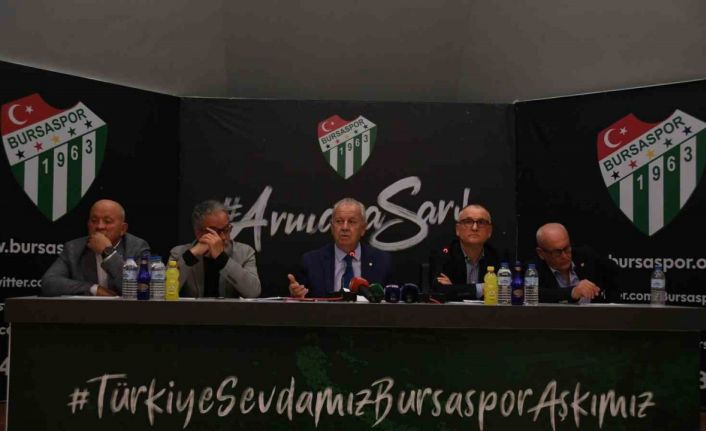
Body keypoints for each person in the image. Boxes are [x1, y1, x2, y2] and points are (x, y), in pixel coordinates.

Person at [41, 199, 150, 296]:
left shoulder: (136, 247)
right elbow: (49, 282)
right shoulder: (73, 248)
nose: (99, 226)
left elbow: (140, 287)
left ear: (123, 229)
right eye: (94, 220)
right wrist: (93, 289)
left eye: (107, 221)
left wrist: (108, 252)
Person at [288, 198, 392, 298]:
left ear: (363, 228)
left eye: (352, 222)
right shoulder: (311, 262)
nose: (344, 227)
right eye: (339, 221)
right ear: (332, 227)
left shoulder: (382, 262)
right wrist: (297, 295)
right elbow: (301, 300)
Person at [169, 200, 261, 298]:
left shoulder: (245, 252)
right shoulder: (178, 253)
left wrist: (222, 258)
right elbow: (165, 292)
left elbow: (253, 292)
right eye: (216, 231)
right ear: (198, 232)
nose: (223, 237)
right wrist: (191, 255)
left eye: (226, 229)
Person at [430, 204, 502, 301]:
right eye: (468, 222)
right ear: (457, 229)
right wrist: (481, 288)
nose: (475, 228)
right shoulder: (444, 255)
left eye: (481, 222)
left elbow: (505, 290)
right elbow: (440, 290)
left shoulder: (497, 256)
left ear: (489, 231)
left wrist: (454, 289)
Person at [535, 222, 620, 303]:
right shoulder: (533, 270)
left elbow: (614, 271)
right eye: (557, 252)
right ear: (541, 253)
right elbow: (533, 294)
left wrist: (612, 306)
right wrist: (572, 292)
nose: (564, 256)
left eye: (567, 248)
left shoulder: (586, 256)